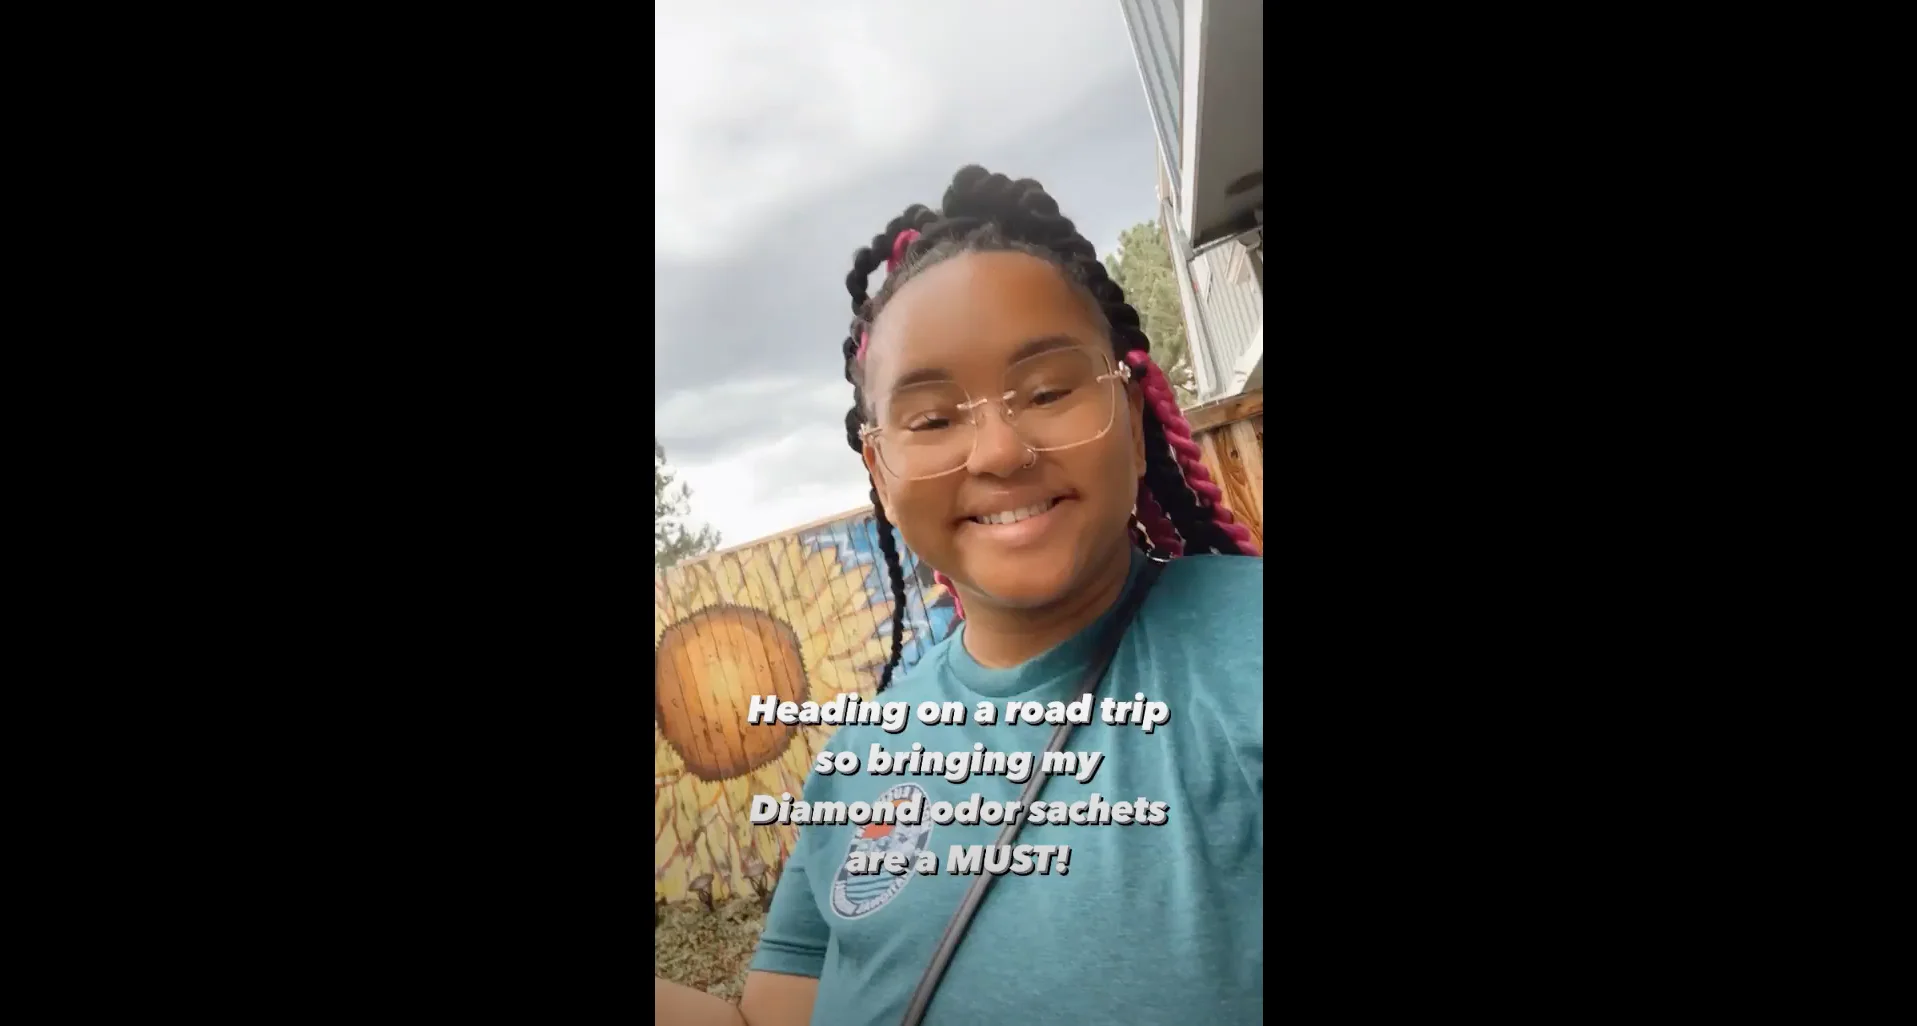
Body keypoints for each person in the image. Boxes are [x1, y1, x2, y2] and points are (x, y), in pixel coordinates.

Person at [656, 166, 1264, 1026]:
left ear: (1133, 420)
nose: (998, 451)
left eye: (1049, 391)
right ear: (880, 469)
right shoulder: (859, 757)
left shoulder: (1246, 651)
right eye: (934, 417)